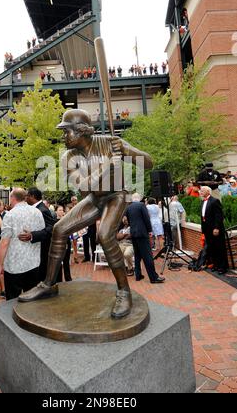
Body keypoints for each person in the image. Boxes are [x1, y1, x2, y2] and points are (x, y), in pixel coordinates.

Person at [18, 109, 153, 319]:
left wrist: (127, 152)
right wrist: (109, 164)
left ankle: (124, 291)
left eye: (67, 132)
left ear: (81, 131)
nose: (63, 137)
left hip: (117, 195)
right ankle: (48, 284)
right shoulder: (68, 157)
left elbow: (149, 162)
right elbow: (84, 187)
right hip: (94, 197)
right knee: (59, 229)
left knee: (105, 235)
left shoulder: (109, 142)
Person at [0, 189, 45, 301]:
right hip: (33, 263)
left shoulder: (10, 215)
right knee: (32, 298)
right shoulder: (37, 212)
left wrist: (0, 264)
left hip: (15, 265)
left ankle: (13, 318)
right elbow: (42, 233)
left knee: (13, 300)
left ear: (12, 198)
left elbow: (4, 242)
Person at [18, 188, 56, 282]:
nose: (25, 198)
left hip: (42, 249)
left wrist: (33, 235)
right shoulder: (36, 208)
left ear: (32, 196)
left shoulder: (42, 210)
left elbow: (51, 228)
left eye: (27, 196)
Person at [126, 193, 165, 284]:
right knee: (148, 256)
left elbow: (128, 220)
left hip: (133, 233)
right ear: (139, 199)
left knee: (137, 255)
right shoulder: (141, 205)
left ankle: (138, 275)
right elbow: (146, 219)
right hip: (142, 233)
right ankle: (153, 277)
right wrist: (150, 230)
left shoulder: (128, 207)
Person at [200, 186, 229, 275]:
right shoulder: (203, 201)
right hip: (207, 229)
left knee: (219, 248)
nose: (201, 192)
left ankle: (223, 267)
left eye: (203, 190)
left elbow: (219, 215)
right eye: (201, 190)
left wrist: (216, 228)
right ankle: (216, 265)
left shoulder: (215, 201)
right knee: (212, 248)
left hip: (215, 229)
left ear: (208, 192)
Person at [55, 205, 72, 282]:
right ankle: (59, 280)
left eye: (62, 210)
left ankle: (68, 278)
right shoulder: (54, 221)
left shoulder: (66, 220)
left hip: (67, 242)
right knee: (58, 263)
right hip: (58, 244)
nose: (61, 211)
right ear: (56, 211)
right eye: (59, 210)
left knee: (66, 262)